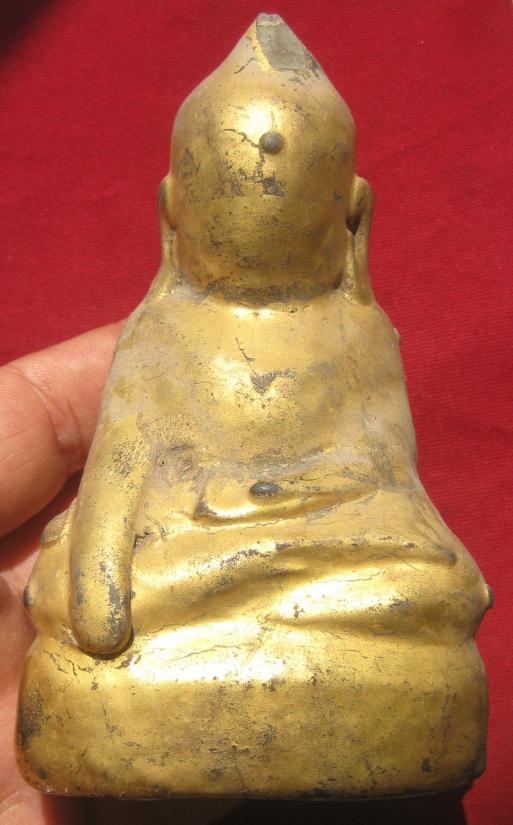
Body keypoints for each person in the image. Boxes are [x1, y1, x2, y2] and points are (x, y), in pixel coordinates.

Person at [0, 322, 236, 824]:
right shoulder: (164, 335)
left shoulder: (357, 329)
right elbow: (117, 475)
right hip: (158, 552)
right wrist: (99, 583)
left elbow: (380, 476)